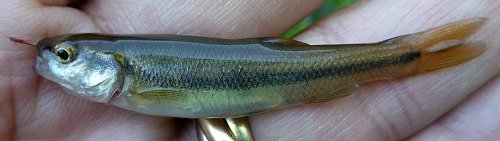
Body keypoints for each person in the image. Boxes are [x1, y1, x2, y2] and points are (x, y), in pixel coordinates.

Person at [0, 0, 498, 140]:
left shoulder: (133, 76)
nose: (48, 61)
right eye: (61, 55)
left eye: (63, 56)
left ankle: (402, 55)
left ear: (112, 63)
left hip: (277, 73)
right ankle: (401, 56)